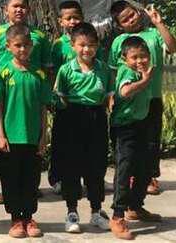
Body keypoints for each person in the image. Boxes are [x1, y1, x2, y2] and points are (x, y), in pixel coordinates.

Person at [108, 1, 176, 195]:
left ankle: (149, 177)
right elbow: (112, 72)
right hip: (128, 101)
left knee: (151, 140)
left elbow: (173, 48)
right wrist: (111, 95)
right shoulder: (118, 42)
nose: (131, 20)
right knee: (129, 142)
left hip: (152, 97)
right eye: (125, 20)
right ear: (119, 25)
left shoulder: (153, 34)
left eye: (132, 14)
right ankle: (130, 177)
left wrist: (159, 23)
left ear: (138, 12)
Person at [52, 22, 112, 234]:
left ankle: (96, 211)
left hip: (96, 119)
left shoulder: (104, 69)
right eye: (82, 45)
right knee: (71, 167)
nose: (87, 49)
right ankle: (72, 212)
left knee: (96, 166)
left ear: (97, 46)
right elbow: (59, 97)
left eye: (91, 45)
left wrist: (110, 104)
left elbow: (108, 95)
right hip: (71, 118)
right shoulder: (66, 70)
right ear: (73, 45)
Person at [0, 24, 53, 239]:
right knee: (11, 179)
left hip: (32, 137)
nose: (22, 49)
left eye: (26, 45)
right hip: (10, 137)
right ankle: (15, 219)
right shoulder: (4, 72)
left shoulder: (39, 74)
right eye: (18, 45)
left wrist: (43, 136)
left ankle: (28, 217)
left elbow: (43, 107)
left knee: (31, 179)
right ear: (8, 46)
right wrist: (0, 135)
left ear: (32, 46)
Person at [109, 35, 160, 240]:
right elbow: (124, 91)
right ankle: (117, 215)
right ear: (125, 59)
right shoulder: (127, 71)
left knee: (145, 167)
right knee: (125, 170)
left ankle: (135, 206)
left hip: (142, 124)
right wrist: (145, 81)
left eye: (143, 56)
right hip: (125, 128)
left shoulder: (143, 71)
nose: (140, 61)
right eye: (134, 57)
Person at [48, 0, 84, 194]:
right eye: (68, 18)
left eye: (76, 17)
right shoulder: (58, 45)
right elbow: (52, 73)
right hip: (64, 102)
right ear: (60, 21)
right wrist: (54, 97)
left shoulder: (89, 41)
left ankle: (84, 177)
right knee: (61, 141)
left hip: (85, 101)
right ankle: (57, 178)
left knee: (83, 142)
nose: (72, 22)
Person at [0, 0, 51, 81]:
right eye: (15, 6)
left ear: (29, 10)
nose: (19, 10)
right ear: (6, 10)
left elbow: (47, 66)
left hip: (33, 84)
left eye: (23, 7)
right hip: (4, 85)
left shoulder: (40, 36)